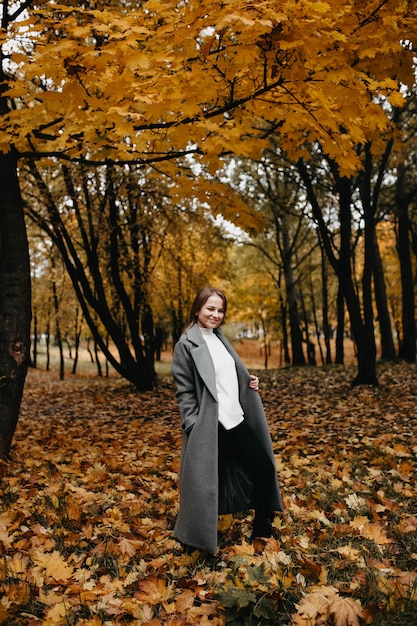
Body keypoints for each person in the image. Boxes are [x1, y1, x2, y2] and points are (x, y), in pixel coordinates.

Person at [171, 286, 284, 553]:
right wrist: (192, 423)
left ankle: (262, 528)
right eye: (210, 308)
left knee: (263, 468)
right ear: (198, 309)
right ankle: (194, 539)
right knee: (204, 484)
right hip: (209, 426)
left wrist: (249, 381)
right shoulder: (186, 344)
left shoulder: (220, 338)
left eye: (220, 310)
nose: (215, 314)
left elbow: (228, 375)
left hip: (235, 418)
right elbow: (184, 390)